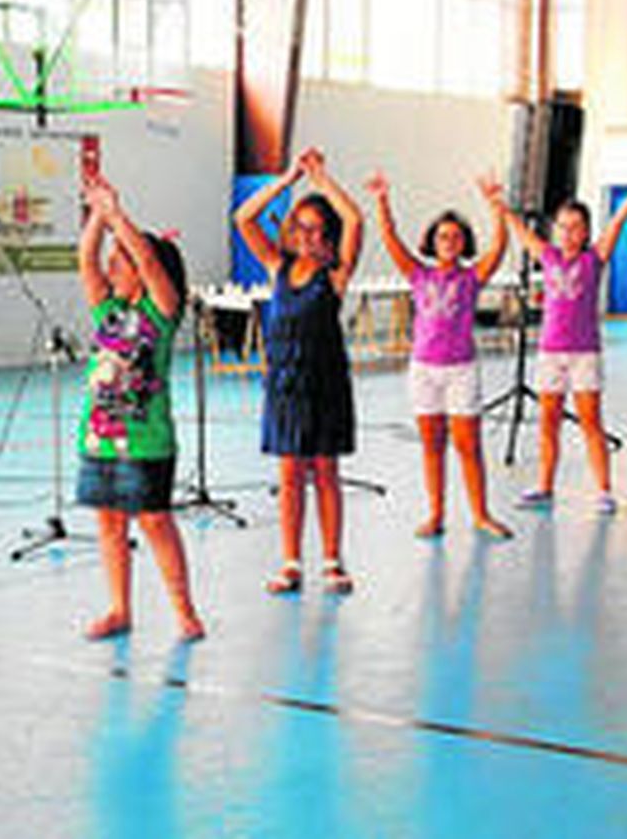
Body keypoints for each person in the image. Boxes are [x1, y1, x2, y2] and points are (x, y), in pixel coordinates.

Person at [490, 159, 627, 515]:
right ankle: (545, 486)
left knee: (590, 421)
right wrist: (497, 202)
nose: (569, 233)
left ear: (586, 232)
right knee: (548, 422)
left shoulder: (595, 258)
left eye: (576, 228)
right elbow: (519, 230)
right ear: (555, 230)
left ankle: (604, 490)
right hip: (550, 354)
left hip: (584, 354)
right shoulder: (548, 255)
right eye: (563, 227)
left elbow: (620, 218)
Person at [75, 173, 205, 642]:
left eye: (121, 262)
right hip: (100, 439)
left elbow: (148, 259)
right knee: (109, 526)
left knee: (154, 523)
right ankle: (119, 608)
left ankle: (184, 610)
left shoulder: (161, 312)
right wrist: (96, 215)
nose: (113, 267)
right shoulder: (106, 311)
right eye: (114, 261)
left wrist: (117, 215)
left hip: (146, 442)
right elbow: (85, 260)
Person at [232, 148, 364, 594]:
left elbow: (357, 220)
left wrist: (322, 180)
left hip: (324, 384)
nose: (308, 235)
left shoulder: (336, 275)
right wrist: (287, 180)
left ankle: (331, 559)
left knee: (325, 471)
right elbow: (244, 219)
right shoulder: (278, 266)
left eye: (318, 228)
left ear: (328, 234)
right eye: (301, 227)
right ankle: (290, 561)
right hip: (285, 385)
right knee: (289, 476)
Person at [366, 169, 514, 540]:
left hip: (461, 370)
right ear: (432, 241)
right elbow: (390, 239)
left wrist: (496, 205)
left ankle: (481, 514)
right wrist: (382, 201)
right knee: (432, 446)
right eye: (442, 236)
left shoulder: (472, 277)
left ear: (464, 243)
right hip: (424, 371)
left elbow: (499, 247)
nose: (448, 241)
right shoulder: (418, 274)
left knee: (468, 445)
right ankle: (435, 514)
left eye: (456, 236)